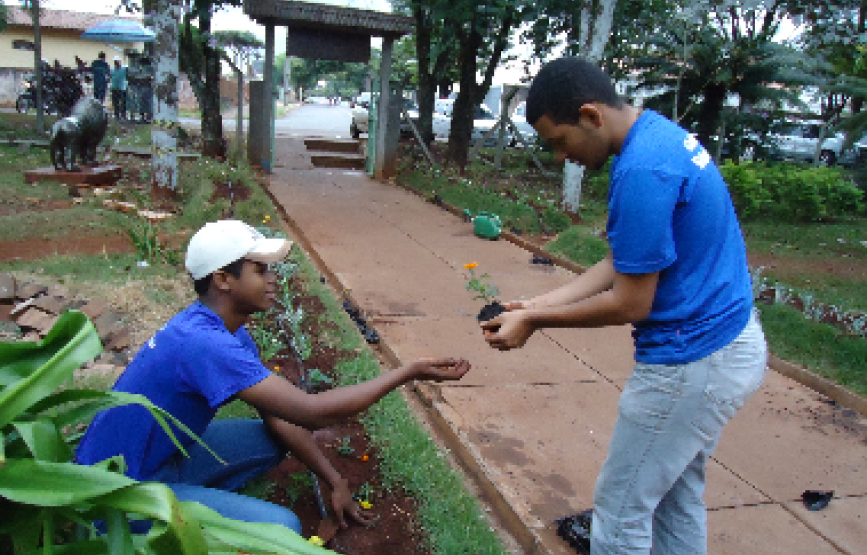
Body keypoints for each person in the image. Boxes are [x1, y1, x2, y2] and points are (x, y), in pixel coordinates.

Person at [480, 57, 768, 555]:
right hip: (725, 348)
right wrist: (536, 302)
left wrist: (535, 320)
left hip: (691, 362)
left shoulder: (641, 169)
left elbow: (631, 302)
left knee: (620, 514)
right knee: (675, 499)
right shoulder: (656, 135)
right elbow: (624, 262)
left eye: (558, 141)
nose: (558, 157)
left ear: (591, 116)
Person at [76, 219, 470, 534]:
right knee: (283, 529)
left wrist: (334, 479)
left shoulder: (225, 332)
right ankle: (165, 522)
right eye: (259, 269)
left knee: (271, 437)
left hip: (164, 454)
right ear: (223, 279)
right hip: (118, 495)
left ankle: (194, 499)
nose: (272, 279)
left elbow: (281, 416)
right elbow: (311, 412)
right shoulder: (204, 343)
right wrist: (406, 372)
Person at [110, 56, 128, 120]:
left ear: (120, 62)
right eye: (115, 62)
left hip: (122, 88)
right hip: (114, 88)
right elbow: (110, 76)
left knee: (123, 102)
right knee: (115, 103)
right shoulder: (112, 69)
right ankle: (117, 115)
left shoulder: (124, 69)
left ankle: (123, 114)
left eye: (117, 61)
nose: (116, 63)